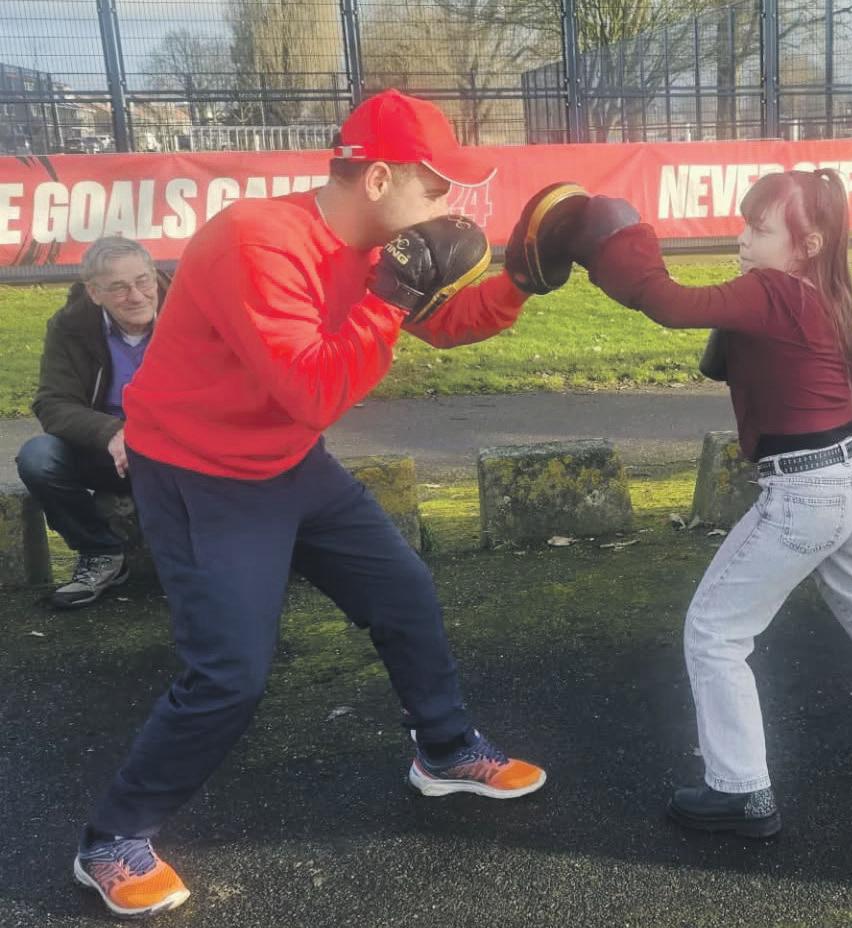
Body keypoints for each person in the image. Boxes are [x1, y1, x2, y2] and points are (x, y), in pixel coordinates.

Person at [72, 90, 548, 920]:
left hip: (290, 463)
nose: (451, 202)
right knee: (230, 676)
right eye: (437, 185)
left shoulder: (376, 248)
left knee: (404, 593)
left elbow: (445, 324)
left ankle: (443, 751)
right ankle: (111, 838)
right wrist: (390, 297)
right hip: (199, 475)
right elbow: (316, 389)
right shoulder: (256, 241)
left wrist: (523, 280)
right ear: (379, 179)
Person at [572, 170, 852, 838]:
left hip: (806, 492)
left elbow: (668, 303)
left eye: (760, 229)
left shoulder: (770, 290)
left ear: (807, 243)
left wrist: (615, 242)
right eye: (745, 224)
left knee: (714, 631)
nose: (742, 238)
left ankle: (741, 793)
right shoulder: (822, 291)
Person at [18, 237, 165, 609]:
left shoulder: (188, 311)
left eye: (143, 280)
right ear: (94, 292)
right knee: (38, 457)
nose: (137, 295)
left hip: (173, 445)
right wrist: (112, 432)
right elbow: (53, 402)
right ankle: (101, 553)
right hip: (107, 450)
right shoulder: (69, 326)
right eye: (119, 287)